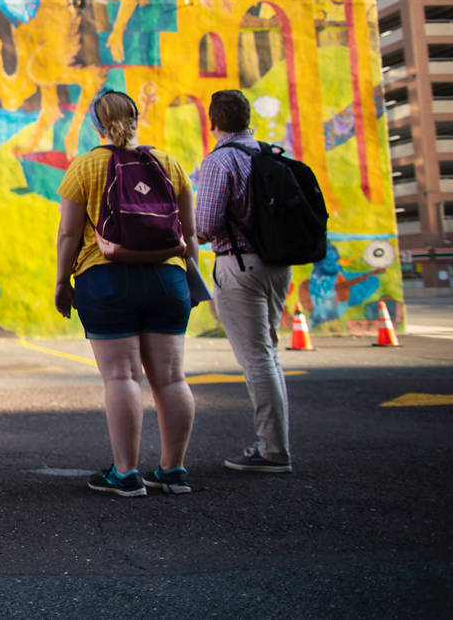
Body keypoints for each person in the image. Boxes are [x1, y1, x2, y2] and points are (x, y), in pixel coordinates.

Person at [54, 90, 199, 496]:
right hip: (168, 280)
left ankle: (126, 473)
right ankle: (172, 470)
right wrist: (189, 277)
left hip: (106, 279)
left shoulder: (84, 167)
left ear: (96, 126)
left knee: (122, 376)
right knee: (171, 379)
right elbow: (188, 235)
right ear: (137, 118)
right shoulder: (170, 165)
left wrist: (63, 282)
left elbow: (68, 234)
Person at [194, 89, 293, 474]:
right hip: (278, 266)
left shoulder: (221, 162)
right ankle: (274, 444)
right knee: (269, 352)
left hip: (239, 265)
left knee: (256, 358)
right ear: (248, 118)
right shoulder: (271, 155)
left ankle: (272, 451)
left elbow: (205, 226)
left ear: (214, 122)